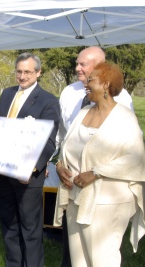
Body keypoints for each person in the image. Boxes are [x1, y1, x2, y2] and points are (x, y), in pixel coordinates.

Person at [53, 62, 145, 267]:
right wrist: (60, 166)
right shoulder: (84, 112)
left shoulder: (124, 118)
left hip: (107, 202)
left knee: (103, 259)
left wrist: (95, 172)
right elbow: (67, 146)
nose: (86, 83)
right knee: (79, 261)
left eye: (91, 79)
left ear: (106, 84)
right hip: (75, 197)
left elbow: (135, 158)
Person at [0, 52, 60, 267]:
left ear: (38, 72)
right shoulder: (6, 94)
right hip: (2, 172)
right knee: (9, 225)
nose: (22, 76)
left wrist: (32, 168)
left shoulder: (48, 101)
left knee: (30, 229)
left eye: (28, 72)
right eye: (19, 71)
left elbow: (49, 140)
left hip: (28, 176)